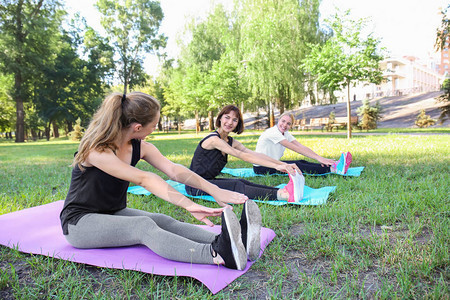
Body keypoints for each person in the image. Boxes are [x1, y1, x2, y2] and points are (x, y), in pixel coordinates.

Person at [59, 92, 262, 270]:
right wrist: (189, 204)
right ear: (138, 127)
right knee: (143, 226)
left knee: (162, 220)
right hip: (79, 223)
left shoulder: (140, 147)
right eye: (154, 124)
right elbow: (145, 179)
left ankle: (234, 242)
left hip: (112, 211)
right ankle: (218, 255)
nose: (155, 128)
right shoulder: (97, 151)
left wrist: (214, 189)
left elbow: (174, 170)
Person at [186, 105, 302, 202]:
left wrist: (281, 163)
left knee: (242, 181)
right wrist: (277, 166)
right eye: (227, 117)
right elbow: (242, 156)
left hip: (208, 181)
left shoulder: (231, 141)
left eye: (235, 120)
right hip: (195, 186)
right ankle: (282, 195)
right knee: (237, 185)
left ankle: (280, 191)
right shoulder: (213, 140)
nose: (230, 122)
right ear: (220, 118)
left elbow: (254, 154)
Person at [253, 112, 352, 175]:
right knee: (298, 165)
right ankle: (333, 169)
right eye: (283, 121)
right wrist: (318, 158)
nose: (284, 125)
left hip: (272, 163)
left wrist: (320, 157)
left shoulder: (285, 133)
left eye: (288, 123)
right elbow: (296, 149)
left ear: (291, 125)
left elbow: (300, 146)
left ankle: (332, 165)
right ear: (279, 120)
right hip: (262, 167)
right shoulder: (273, 132)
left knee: (302, 161)